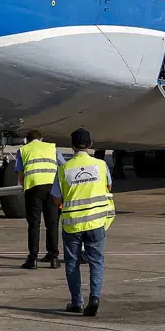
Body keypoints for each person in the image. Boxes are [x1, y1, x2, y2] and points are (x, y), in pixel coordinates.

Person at [58, 128, 115, 317]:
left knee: (72, 263)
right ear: (90, 145)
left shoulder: (64, 169)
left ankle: (77, 302)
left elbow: (55, 198)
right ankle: (95, 297)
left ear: (72, 146)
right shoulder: (101, 165)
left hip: (72, 223)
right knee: (96, 261)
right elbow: (108, 187)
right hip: (96, 222)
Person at [15, 129, 63, 269]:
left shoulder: (23, 150)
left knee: (34, 224)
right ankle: (54, 257)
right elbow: (63, 165)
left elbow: (20, 175)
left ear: (27, 140)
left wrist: (25, 187)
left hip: (34, 188)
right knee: (52, 223)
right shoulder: (52, 148)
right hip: (52, 188)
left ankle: (33, 259)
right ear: (41, 139)